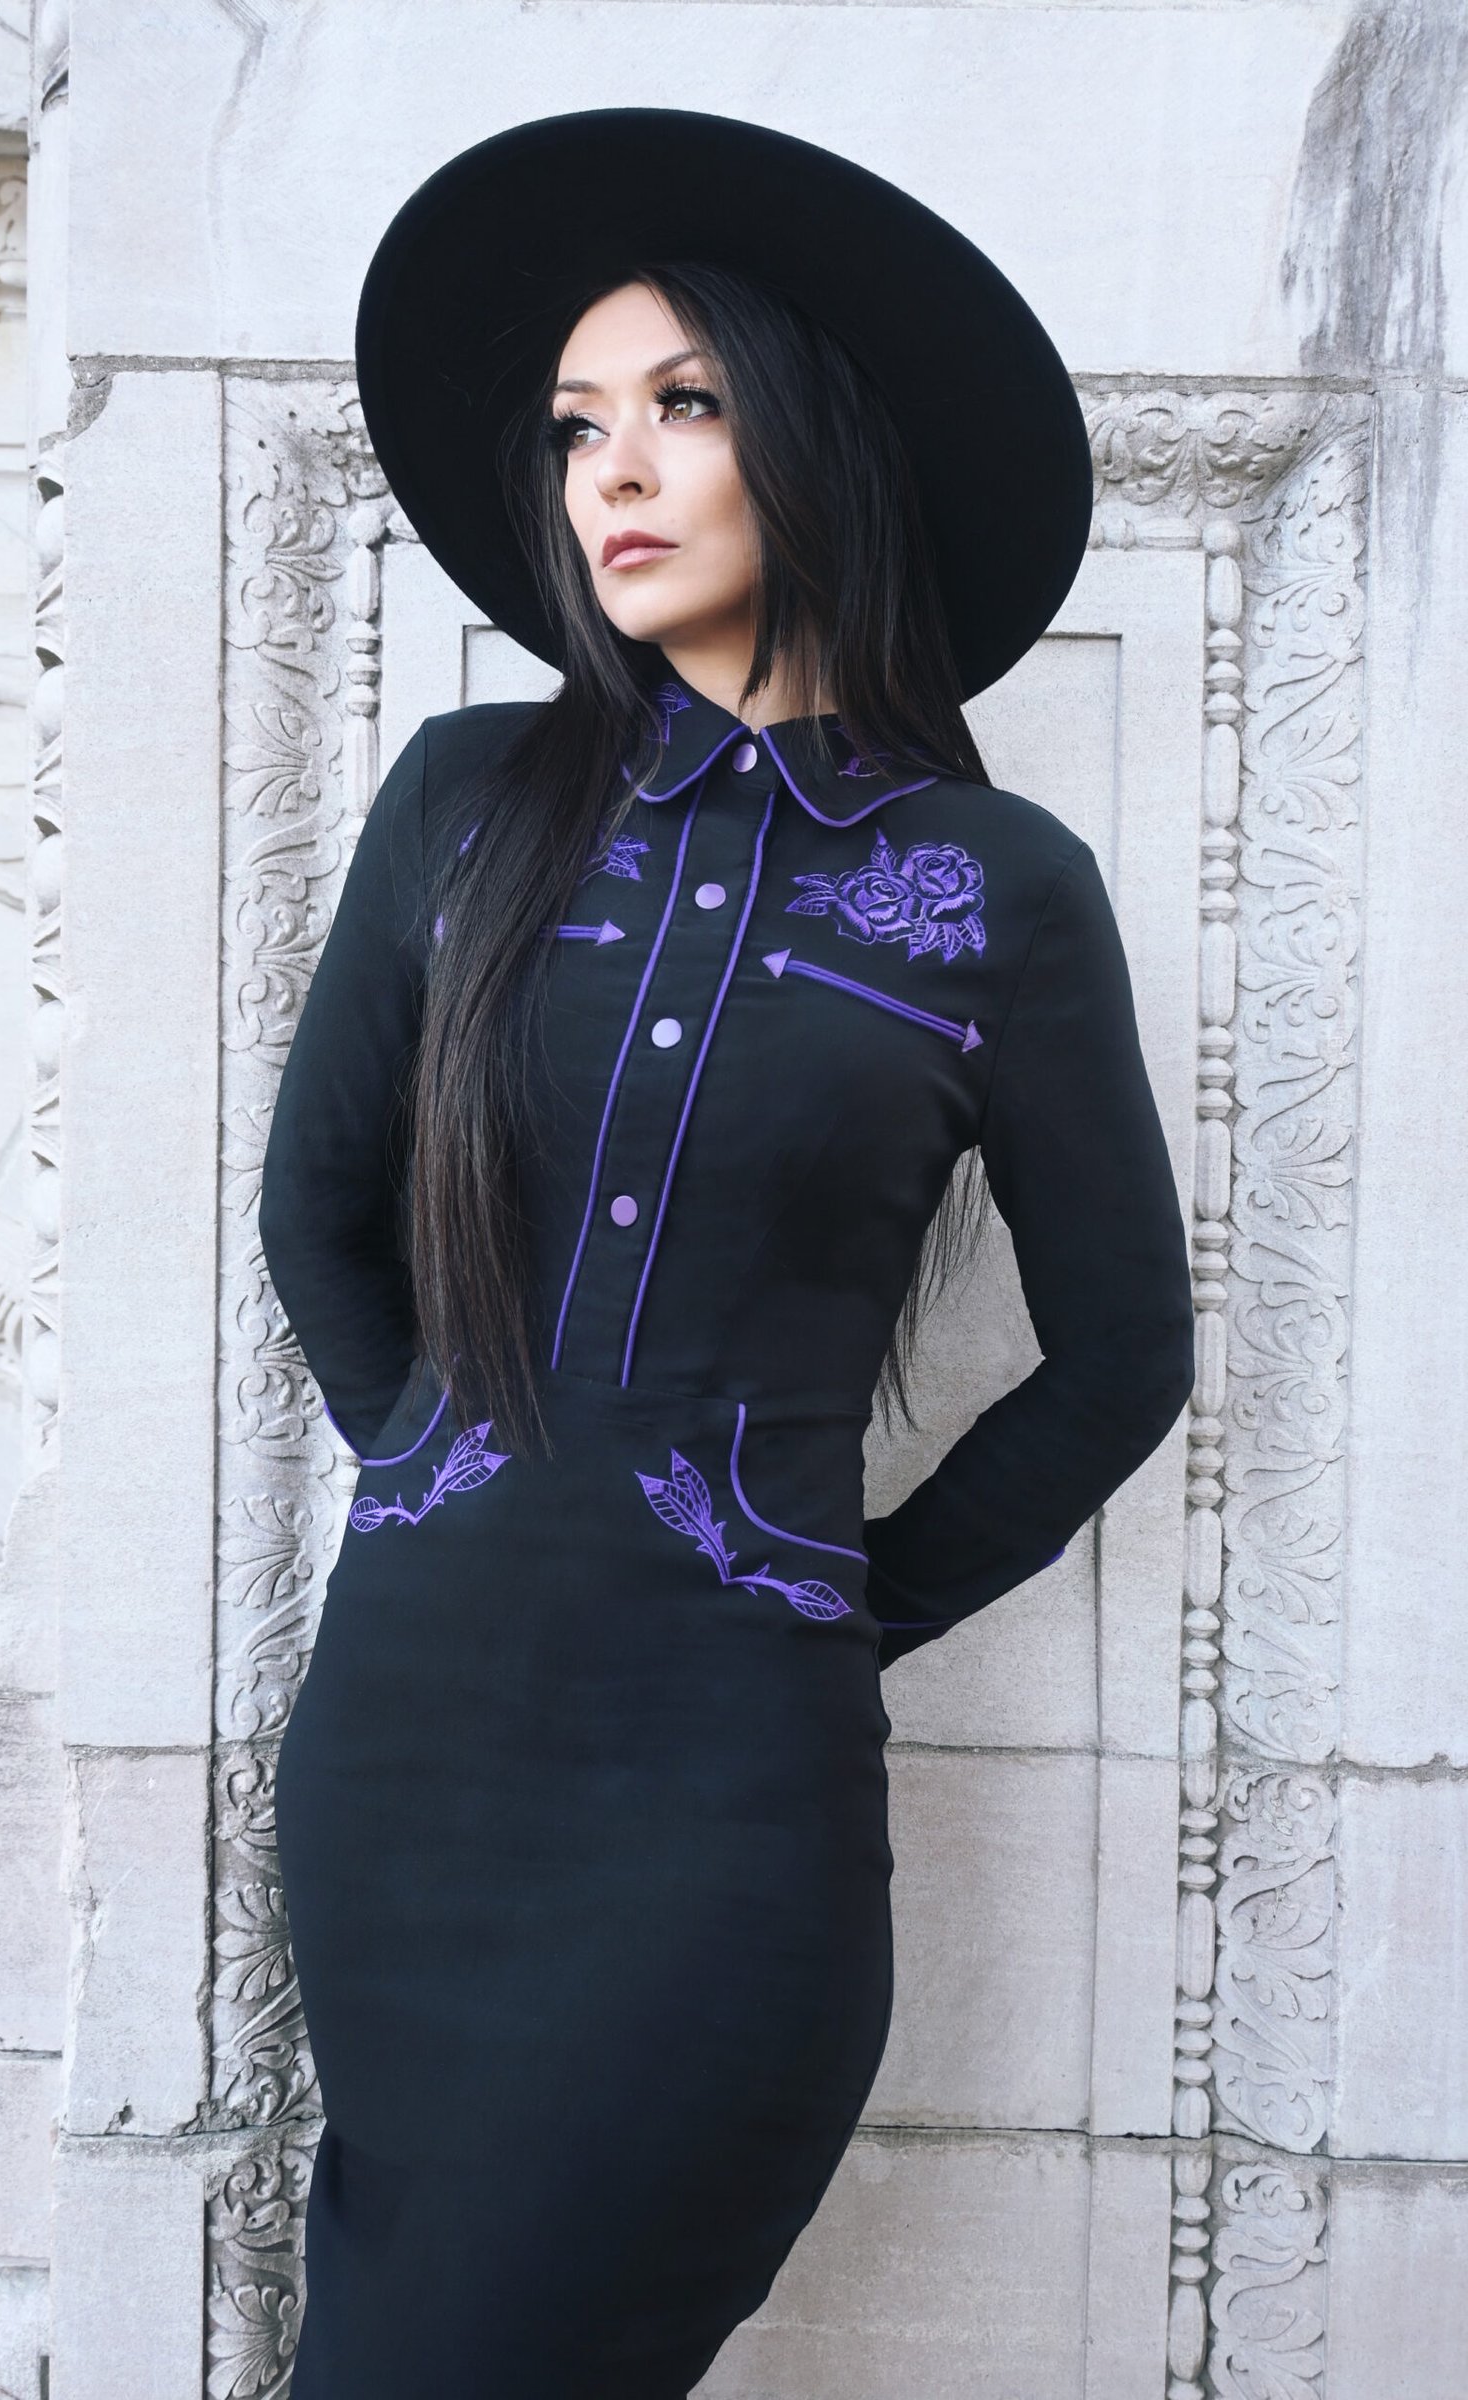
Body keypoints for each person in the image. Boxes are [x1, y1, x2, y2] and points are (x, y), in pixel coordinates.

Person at [258, 106, 1195, 2399]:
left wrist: (823, 1590)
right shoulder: (462, 803)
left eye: (679, 404)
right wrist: (448, 1471)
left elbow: (1119, 1355)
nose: (614, 468)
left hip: (722, 1816)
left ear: (813, 437)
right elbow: (318, 1207)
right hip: (409, 1764)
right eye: (577, 422)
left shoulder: (992, 890)